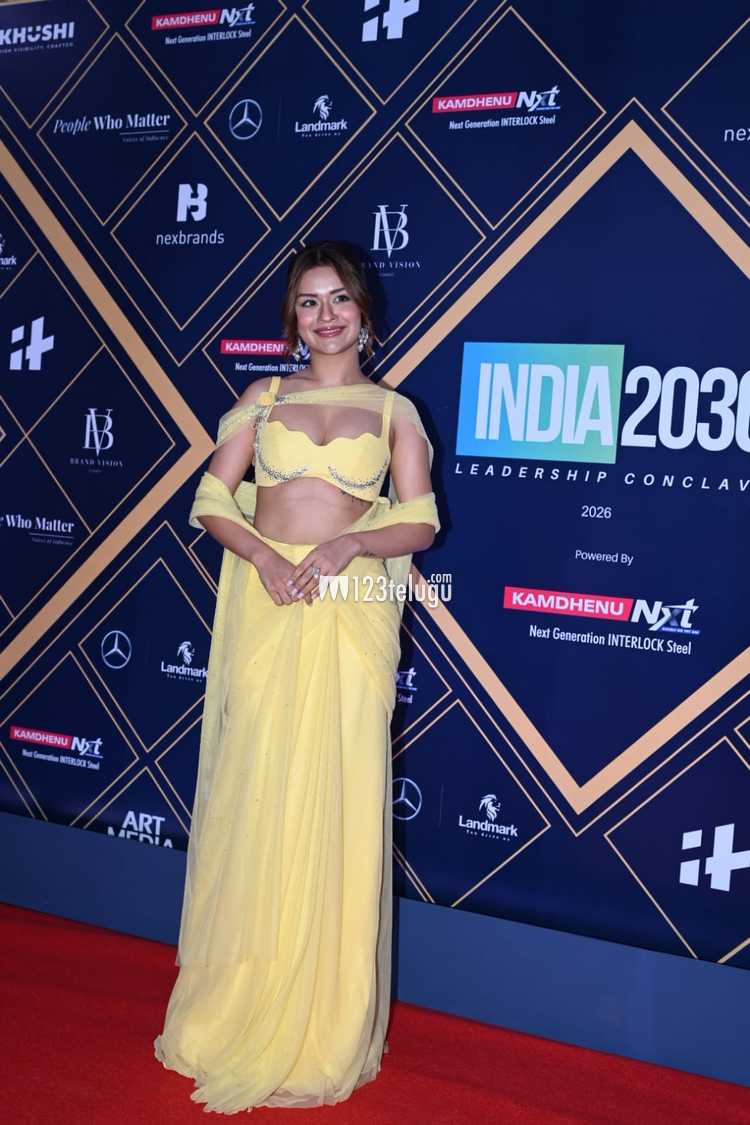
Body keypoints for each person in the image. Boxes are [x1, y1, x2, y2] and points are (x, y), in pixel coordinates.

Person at [153, 241, 441, 1113]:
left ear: (365, 310)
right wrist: (265, 557)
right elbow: (211, 499)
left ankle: (320, 1025)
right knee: (257, 797)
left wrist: (352, 541)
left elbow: (420, 522)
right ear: (293, 319)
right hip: (268, 611)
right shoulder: (261, 397)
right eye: (309, 302)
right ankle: (232, 1009)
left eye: (339, 299)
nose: (325, 316)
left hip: (349, 617)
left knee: (336, 801)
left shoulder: (394, 410)